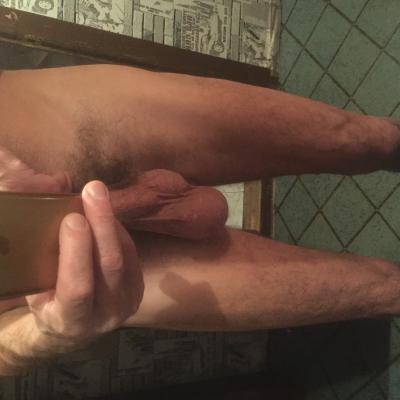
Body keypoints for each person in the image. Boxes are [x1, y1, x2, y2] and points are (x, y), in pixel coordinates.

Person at [0, 64, 399, 376]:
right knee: (381, 291)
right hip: (53, 287)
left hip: (50, 122)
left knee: (363, 138)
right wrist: (43, 336)